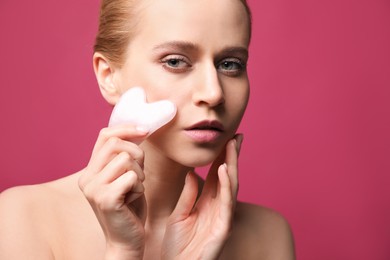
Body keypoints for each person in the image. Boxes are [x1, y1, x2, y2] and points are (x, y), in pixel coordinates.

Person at [0, 0, 295, 259]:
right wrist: (122, 253)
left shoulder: (266, 235)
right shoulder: (23, 220)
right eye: (176, 61)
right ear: (108, 76)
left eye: (230, 64)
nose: (214, 93)